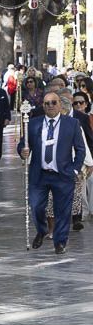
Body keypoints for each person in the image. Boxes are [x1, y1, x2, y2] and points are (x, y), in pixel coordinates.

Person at [19, 92, 86, 254]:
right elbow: (23, 144)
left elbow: (80, 149)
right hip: (39, 174)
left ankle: (60, 241)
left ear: (60, 105)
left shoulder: (72, 124)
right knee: (35, 206)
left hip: (62, 174)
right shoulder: (34, 123)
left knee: (62, 211)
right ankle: (42, 230)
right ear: (43, 105)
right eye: (47, 103)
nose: (50, 106)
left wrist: (75, 169)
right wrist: (23, 151)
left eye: (53, 102)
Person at [72, 91, 93, 228]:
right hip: (78, 158)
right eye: (76, 103)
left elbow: (89, 141)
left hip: (88, 156)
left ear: (86, 104)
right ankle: (80, 214)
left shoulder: (87, 118)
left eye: (81, 102)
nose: (79, 105)